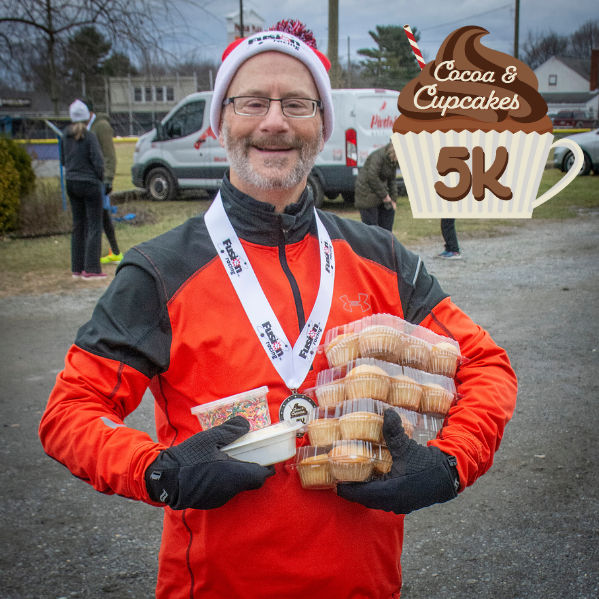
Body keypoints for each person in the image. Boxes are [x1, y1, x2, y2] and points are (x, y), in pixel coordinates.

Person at [40, 28, 517, 599]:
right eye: (251, 102)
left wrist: (449, 464)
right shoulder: (160, 270)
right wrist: (158, 471)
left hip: (363, 588)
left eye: (296, 103)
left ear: (321, 124)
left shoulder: (382, 258)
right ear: (220, 120)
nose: (274, 122)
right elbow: (70, 412)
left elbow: (485, 365)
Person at [60, 99, 106, 280]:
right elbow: (98, 161)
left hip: (72, 182)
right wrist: (101, 178)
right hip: (90, 183)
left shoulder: (65, 137)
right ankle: (92, 267)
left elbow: (63, 160)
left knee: (78, 225)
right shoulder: (90, 137)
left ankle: (77, 268)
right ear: (87, 118)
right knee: (94, 225)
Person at [84, 99, 123, 264]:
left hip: (99, 179)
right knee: (103, 215)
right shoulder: (86, 127)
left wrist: (108, 179)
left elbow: (109, 154)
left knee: (98, 216)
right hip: (90, 178)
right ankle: (115, 251)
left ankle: (96, 257)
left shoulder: (101, 127)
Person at [354, 141, 399, 231]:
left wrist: (393, 199)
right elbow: (372, 176)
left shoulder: (392, 160)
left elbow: (392, 180)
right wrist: (385, 196)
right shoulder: (378, 156)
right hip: (366, 192)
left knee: (388, 216)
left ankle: (386, 239)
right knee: (372, 229)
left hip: (379, 191)